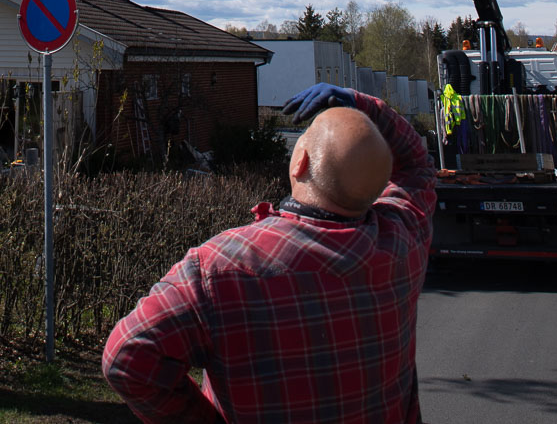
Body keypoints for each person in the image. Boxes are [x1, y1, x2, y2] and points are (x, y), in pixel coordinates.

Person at [102, 84, 436, 424]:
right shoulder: (404, 240)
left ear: (300, 162)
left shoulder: (221, 266)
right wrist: (364, 104)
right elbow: (417, 166)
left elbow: (126, 357)